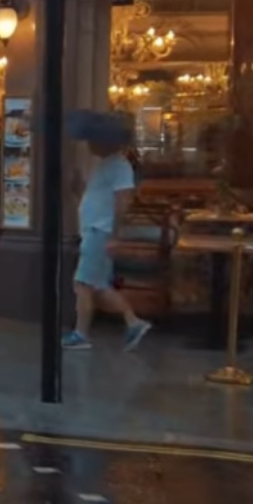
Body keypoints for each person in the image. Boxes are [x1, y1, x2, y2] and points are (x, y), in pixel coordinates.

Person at [63, 121, 152, 351]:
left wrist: (114, 235)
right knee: (99, 286)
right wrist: (79, 190)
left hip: (99, 232)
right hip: (94, 230)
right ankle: (133, 322)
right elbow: (97, 198)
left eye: (94, 140)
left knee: (82, 283)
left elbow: (122, 201)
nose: (90, 144)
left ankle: (81, 333)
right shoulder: (106, 165)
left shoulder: (120, 166)